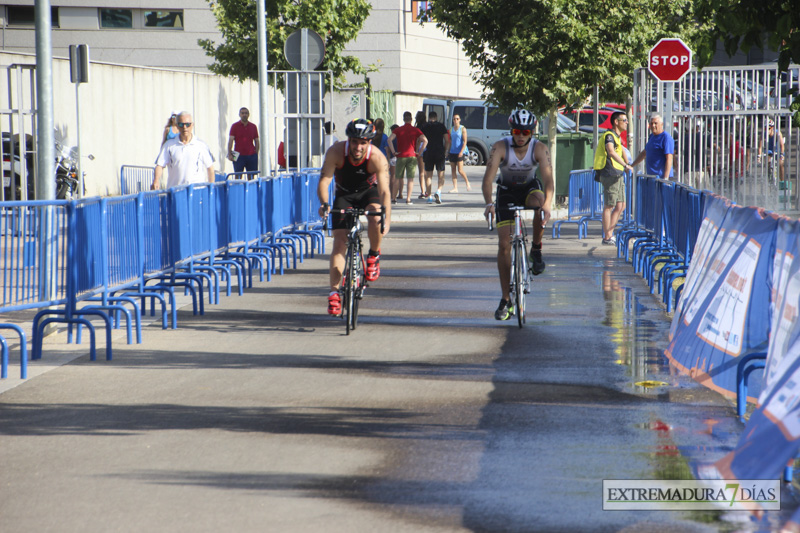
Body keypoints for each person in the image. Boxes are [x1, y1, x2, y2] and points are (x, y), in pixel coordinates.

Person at [482, 110, 554, 321]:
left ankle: (537, 249)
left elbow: (549, 180)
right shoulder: (500, 147)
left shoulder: (539, 148)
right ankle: (506, 299)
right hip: (506, 191)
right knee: (504, 245)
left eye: (525, 132)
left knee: (540, 204)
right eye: (516, 131)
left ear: (531, 132)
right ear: (511, 130)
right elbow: (487, 180)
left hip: (530, 189)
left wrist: (548, 204)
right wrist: (488, 203)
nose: (520, 136)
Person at [318, 119, 392, 315]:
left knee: (375, 217)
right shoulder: (335, 151)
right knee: (339, 243)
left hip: (369, 192)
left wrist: (387, 218)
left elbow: (385, 192)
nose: (358, 147)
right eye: (354, 142)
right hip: (344, 194)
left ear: (369, 143)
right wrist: (325, 204)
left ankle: (374, 255)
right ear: (348, 140)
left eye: (363, 143)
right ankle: (334, 292)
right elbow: (324, 182)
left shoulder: (377, 157)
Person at [593, 111, 632, 245]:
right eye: (624, 120)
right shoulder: (609, 136)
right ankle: (607, 236)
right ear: (616, 122)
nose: (627, 123)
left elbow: (621, 152)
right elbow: (611, 152)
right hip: (610, 173)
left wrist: (629, 165)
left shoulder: (617, 137)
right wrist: (625, 165)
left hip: (618, 173)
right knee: (609, 205)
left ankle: (610, 233)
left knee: (621, 205)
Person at [152, 111, 215, 189]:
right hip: (175, 191)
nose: (185, 127)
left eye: (187, 124)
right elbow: (160, 165)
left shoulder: (201, 145)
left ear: (192, 125)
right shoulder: (169, 145)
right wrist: (156, 180)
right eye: (181, 124)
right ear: (177, 126)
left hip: (197, 191)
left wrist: (211, 189)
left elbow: (210, 168)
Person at [388, 111, 427, 204]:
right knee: (410, 179)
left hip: (401, 156)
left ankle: (393, 198)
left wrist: (394, 152)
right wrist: (419, 152)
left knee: (398, 178)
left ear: (403, 119)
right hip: (412, 156)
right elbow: (425, 140)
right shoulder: (415, 130)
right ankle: (408, 199)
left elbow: (389, 140)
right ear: (411, 119)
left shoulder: (398, 130)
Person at [631, 113, 674, 180]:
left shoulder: (666, 138)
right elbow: (644, 153)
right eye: (651, 123)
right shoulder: (652, 136)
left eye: (655, 123)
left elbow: (669, 158)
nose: (653, 125)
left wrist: (666, 178)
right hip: (652, 177)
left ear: (661, 124)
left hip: (661, 178)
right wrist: (632, 165)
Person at [420, 111, 449, 203]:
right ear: (436, 117)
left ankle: (429, 196)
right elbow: (447, 140)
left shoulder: (424, 126)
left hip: (428, 152)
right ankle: (438, 191)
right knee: (441, 174)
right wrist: (445, 151)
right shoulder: (441, 126)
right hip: (439, 152)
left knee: (428, 176)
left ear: (429, 117)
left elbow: (420, 139)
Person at [227, 107, 259, 174]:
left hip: (251, 155)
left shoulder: (253, 126)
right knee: (237, 175)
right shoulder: (234, 126)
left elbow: (256, 140)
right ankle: (238, 185)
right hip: (237, 155)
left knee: (251, 176)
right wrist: (230, 153)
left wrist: (256, 153)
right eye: (242, 113)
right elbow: (231, 141)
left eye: (246, 113)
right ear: (239, 114)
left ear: (248, 115)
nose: (244, 115)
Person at [448, 114, 472, 192]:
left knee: (460, 170)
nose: (456, 120)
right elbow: (450, 141)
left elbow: (465, 141)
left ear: (460, 119)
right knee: (453, 169)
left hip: (459, 151)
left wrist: (461, 151)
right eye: (454, 119)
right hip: (452, 151)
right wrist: (447, 151)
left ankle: (467, 182)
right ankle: (455, 187)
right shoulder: (451, 129)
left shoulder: (462, 129)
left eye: (457, 119)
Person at [414, 111, 428, 199]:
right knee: (427, 171)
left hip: (420, 148)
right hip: (427, 148)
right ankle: (428, 190)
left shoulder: (417, 127)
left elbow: (418, 140)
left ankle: (423, 191)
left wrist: (416, 150)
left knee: (421, 172)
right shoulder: (428, 126)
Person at [388, 124, 399, 203]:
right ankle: (399, 193)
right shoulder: (400, 137)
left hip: (393, 157)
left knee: (392, 176)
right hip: (400, 157)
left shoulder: (392, 137)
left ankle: (392, 194)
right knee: (399, 177)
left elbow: (388, 148)